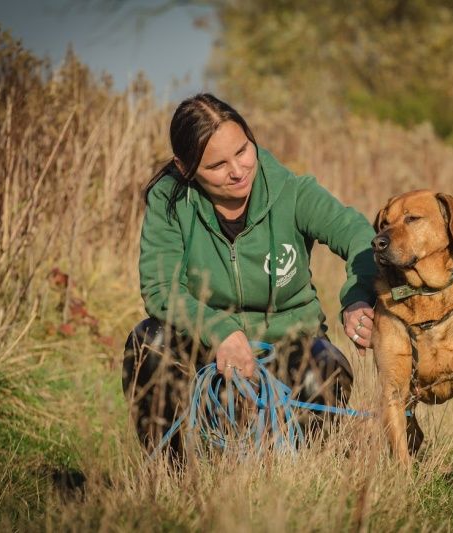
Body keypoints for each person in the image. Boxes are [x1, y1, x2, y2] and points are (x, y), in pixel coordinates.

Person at [122, 93, 377, 458]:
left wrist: (357, 296)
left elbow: (358, 235)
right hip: (204, 349)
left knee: (326, 370)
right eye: (217, 166)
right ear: (185, 167)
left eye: (242, 151)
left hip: (290, 348)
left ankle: (297, 472)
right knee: (148, 341)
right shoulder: (168, 202)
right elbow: (161, 288)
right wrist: (219, 331)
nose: (238, 171)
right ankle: (172, 474)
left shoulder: (293, 192)